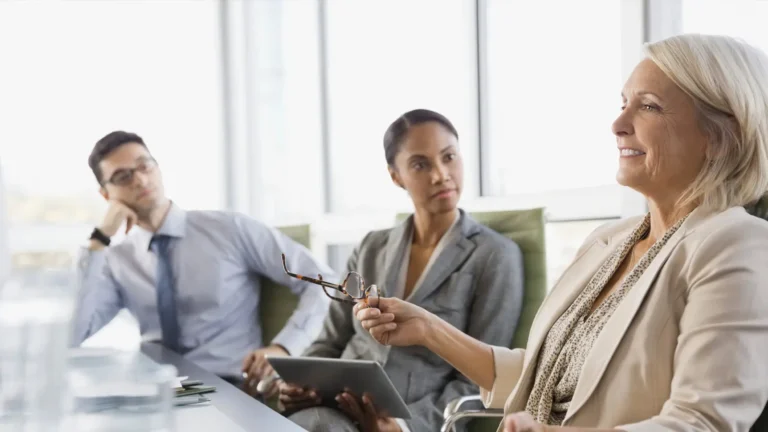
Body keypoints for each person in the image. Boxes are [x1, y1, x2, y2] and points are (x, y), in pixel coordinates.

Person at [356, 34, 768, 432]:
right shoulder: (608, 241)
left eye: (649, 107)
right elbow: (545, 377)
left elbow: (702, 424)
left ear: (719, 137)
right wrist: (429, 330)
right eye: (624, 104)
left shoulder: (738, 246)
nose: (618, 124)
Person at [279, 109, 525, 432]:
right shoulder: (371, 247)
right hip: (333, 406)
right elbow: (330, 341)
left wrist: (402, 427)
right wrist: (299, 382)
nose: (440, 174)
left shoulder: (495, 256)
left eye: (449, 157)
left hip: (410, 421)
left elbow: (481, 378)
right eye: (420, 164)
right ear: (396, 176)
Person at [73, 131, 334, 394]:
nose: (139, 179)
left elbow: (324, 282)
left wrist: (285, 347)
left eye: (144, 165)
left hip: (229, 387)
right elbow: (74, 334)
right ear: (106, 194)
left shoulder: (229, 229)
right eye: (122, 176)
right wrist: (99, 240)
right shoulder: (117, 259)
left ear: (158, 168)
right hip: (156, 392)